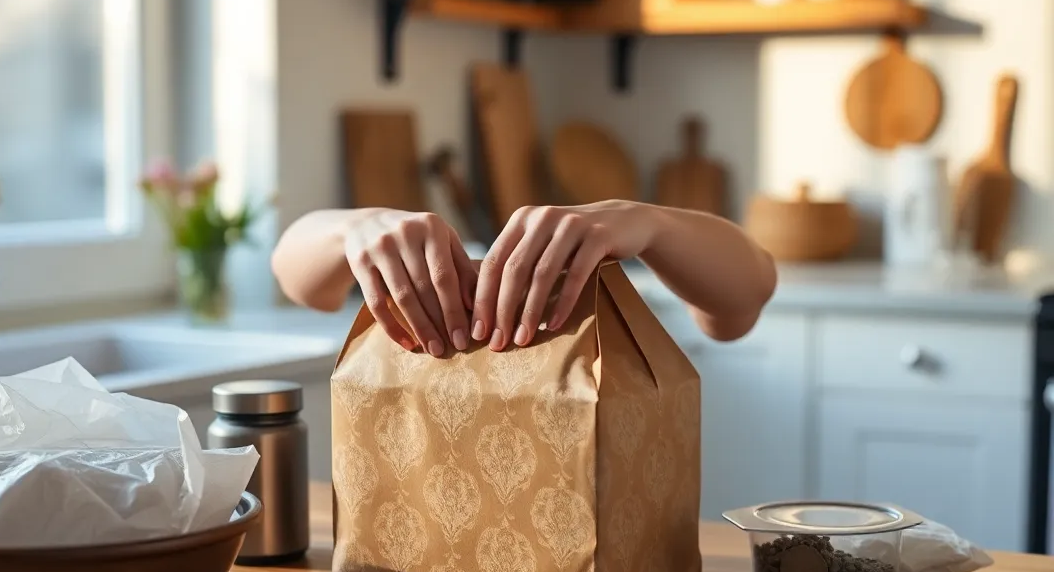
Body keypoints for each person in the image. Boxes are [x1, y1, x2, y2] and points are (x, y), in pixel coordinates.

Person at [271, 200, 777, 356]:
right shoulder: (407, 243)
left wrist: (652, 222)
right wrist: (355, 227)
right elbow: (296, 278)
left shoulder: (615, 234)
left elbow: (745, 297)